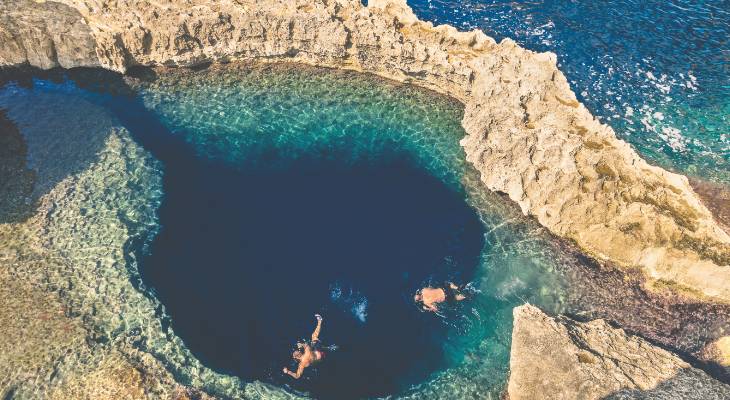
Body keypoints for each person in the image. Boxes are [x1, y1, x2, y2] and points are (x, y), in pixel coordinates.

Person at [283, 314, 328, 379]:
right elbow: (306, 345)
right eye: (295, 353)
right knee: (314, 336)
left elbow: (297, 376)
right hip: (320, 352)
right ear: (297, 357)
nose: (295, 352)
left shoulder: (301, 364)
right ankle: (320, 321)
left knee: (314, 348)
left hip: (318, 360)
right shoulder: (306, 354)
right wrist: (301, 344)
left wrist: (288, 372)